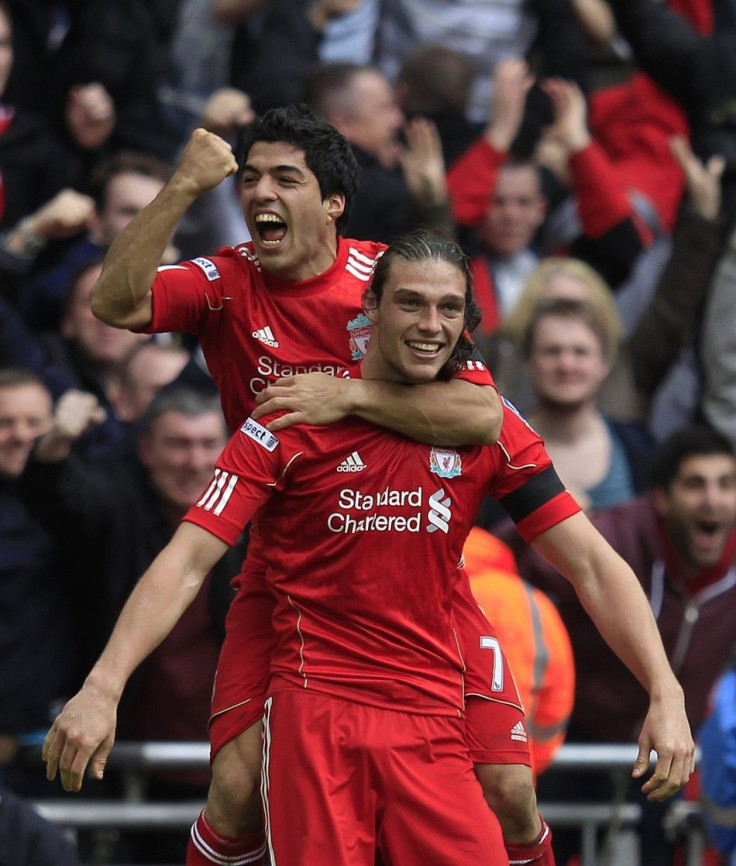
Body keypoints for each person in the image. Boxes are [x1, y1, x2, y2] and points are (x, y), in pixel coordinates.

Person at [44, 232, 693, 864]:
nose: (428, 324)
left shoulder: (489, 427)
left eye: (447, 309)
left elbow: (593, 566)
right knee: (236, 790)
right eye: (409, 303)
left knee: (512, 795)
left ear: (469, 324)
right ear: (371, 308)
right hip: (316, 709)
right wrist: (103, 685)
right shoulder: (291, 416)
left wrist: (664, 692)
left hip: (430, 707)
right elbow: (188, 559)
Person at [83, 103, 572, 866]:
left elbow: (481, 413)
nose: (260, 194)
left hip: (414, 566)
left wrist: (346, 395)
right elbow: (113, 303)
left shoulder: (397, 286)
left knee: (510, 787)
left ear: (334, 203)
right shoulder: (223, 282)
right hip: (287, 564)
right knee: (237, 787)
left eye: (285, 178)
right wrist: (181, 189)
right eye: (249, 179)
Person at [20, 386, 244, 863]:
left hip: (233, 767)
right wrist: (54, 443)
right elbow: (59, 497)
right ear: (145, 450)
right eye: (178, 444)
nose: (194, 461)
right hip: (125, 767)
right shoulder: (116, 502)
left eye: (208, 445)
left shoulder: (257, 521)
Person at [497, 423, 736, 864]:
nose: (713, 500)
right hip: (579, 744)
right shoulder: (615, 535)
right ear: (662, 498)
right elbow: (507, 553)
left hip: (671, 754)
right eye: (696, 484)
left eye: (726, 484)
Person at [0, 369, 79, 798]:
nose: (20, 435)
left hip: (55, 750)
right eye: (5, 423)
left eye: (34, 424)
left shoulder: (75, 496)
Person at [521, 296, 653, 511]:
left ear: (604, 363)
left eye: (580, 352)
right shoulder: (498, 450)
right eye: (552, 351)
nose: (566, 364)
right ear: (528, 362)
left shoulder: (637, 447)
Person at [462, 526, 575, 777]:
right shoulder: (534, 603)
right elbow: (555, 708)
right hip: (515, 783)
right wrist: (530, 765)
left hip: (426, 781)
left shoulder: (414, 590)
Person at [304, 61, 454, 243]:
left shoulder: (295, 173)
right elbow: (437, 267)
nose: (398, 119)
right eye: (386, 108)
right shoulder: (387, 197)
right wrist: (434, 202)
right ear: (342, 123)